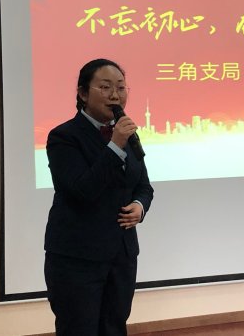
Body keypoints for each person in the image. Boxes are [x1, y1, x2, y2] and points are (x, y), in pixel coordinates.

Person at [44, 58, 154, 336]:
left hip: (122, 254)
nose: (115, 95)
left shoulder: (127, 136)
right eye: (105, 87)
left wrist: (140, 206)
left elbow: (143, 186)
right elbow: (81, 190)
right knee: (78, 329)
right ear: (82, 93)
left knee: (114, 328)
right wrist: (115, 146)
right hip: (77, 257)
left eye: (121, 87)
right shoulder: (64, 137)